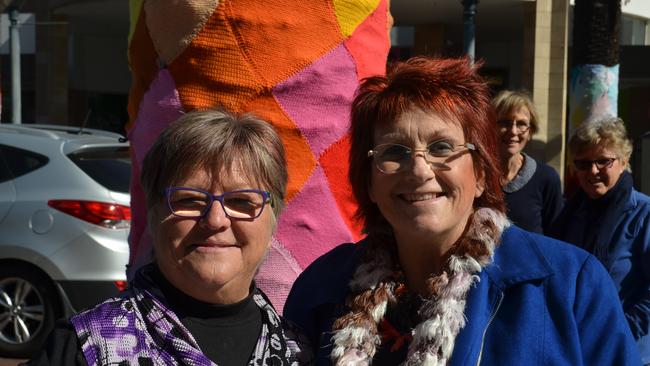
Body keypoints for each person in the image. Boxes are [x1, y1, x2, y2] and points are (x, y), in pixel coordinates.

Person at [283, 57, 640, 365]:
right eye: (394, 152)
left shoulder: (571, 285)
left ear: (482, 174)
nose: (419, 170)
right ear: (370, 182)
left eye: (441, 147)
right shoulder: (322, 289)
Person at [25, 110, 312, 365]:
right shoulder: (83, 347)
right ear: (153, 214)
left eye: (240, 201)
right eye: (189, 199)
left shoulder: (300, 352)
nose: (215, 220)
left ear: (274, 218)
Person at [550, 117, 650, 364]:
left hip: (626, 350)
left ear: (624, 161)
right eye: (583, 164)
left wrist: (618, 332)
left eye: (603, 161)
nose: (592, 171)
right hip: (576, 348)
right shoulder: (570, 214)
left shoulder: (643, 214)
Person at [492, 90, 563, 234]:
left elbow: (556, 238)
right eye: (504, 122)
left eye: (521, 124)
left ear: (531, 132)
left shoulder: (546, 178)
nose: (513, 131)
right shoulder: (476, 175)